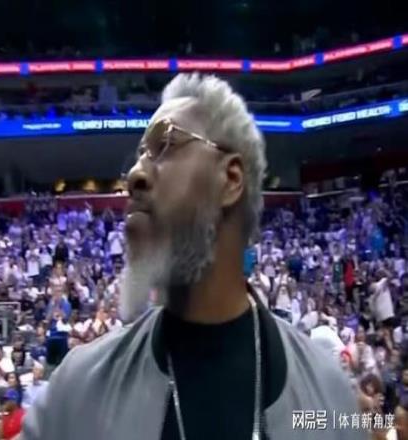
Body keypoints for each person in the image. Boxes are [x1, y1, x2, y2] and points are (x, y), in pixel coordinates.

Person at [21, 74, 363, 439]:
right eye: (139, 155)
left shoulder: (331, 396)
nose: (134, 174)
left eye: (166, 144)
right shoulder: (75, 391)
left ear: (230, 179)